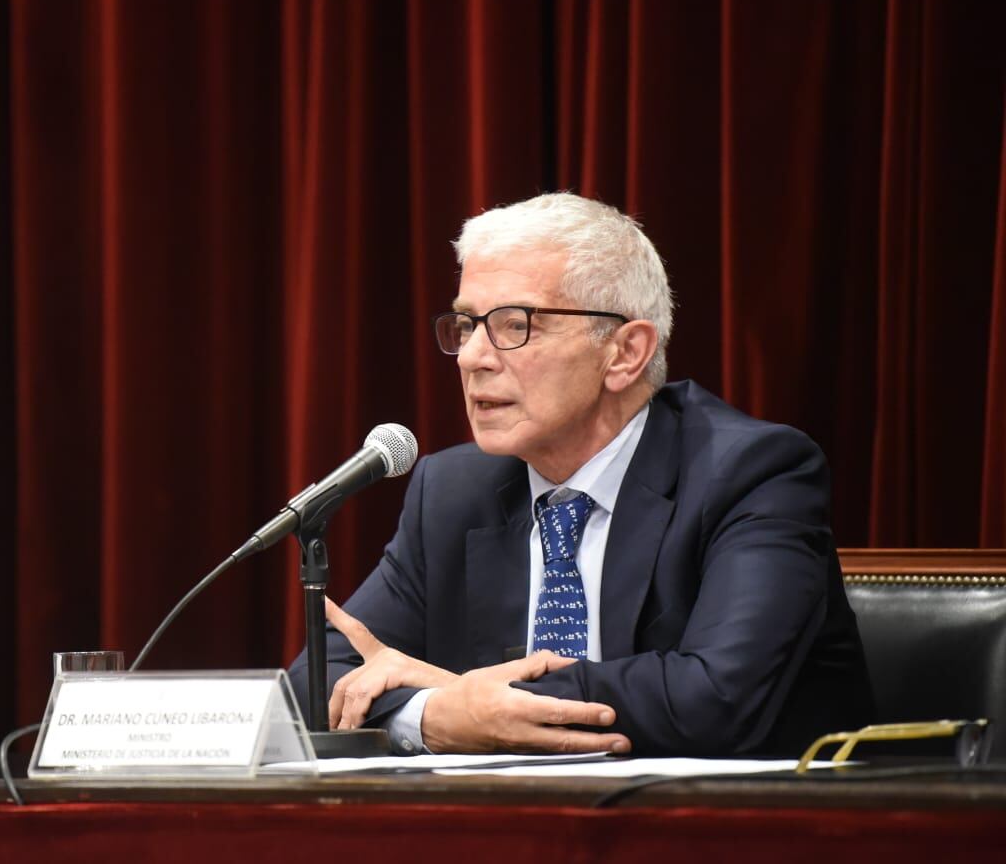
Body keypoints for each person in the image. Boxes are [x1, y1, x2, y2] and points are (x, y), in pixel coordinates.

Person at [289, 193, 872, 756]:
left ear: (625, 353)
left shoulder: (752, 472)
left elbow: (717, 697)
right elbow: (315, 684)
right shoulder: (453, 492)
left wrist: (468, 699)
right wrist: (438, 713)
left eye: (515, 324)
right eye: (467, 325)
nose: (472, 357)